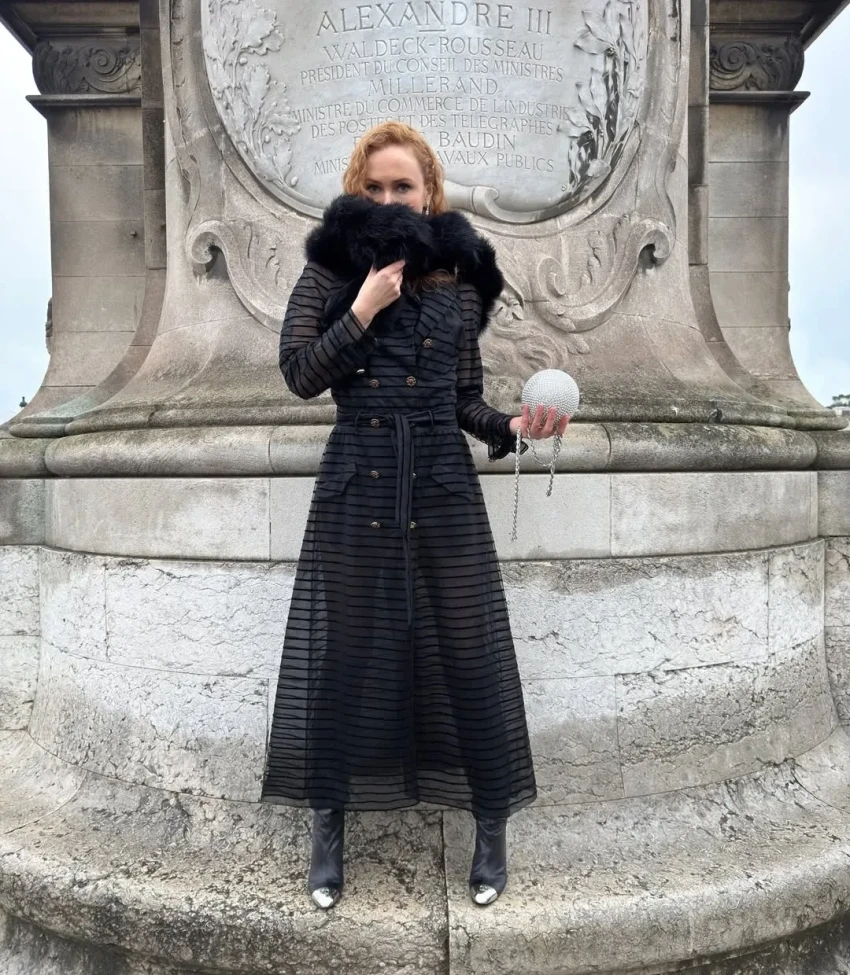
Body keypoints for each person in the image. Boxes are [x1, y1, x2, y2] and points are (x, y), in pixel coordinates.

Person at [261, 120, 570, 910]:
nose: (390, 197)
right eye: (376, 186)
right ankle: (328, 828)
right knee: (344, 655)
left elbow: (462, 396)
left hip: (440, 480)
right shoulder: (332, 268)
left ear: (429, 191)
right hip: (358, 480)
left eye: (404, 185)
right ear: (356, 190)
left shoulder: (460, 277)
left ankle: (491, 826)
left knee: (469, 654)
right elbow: (300, 373)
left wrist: (512, 427)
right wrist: (363, 306)